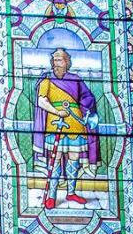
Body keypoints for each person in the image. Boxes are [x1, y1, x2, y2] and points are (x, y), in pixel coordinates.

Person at [33, 48, 99, 209]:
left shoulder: (76, 79)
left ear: (67, 62)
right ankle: (52, 195)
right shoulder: (46, 81)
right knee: (55, 159)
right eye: (54, 60)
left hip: (75, 124)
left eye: (60, 60)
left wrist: (83, 107)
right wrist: (57, 111)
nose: (57, 64)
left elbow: (88, 96)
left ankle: (71, 192)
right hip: (55, 123)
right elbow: (42, 101)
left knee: (74, 157)